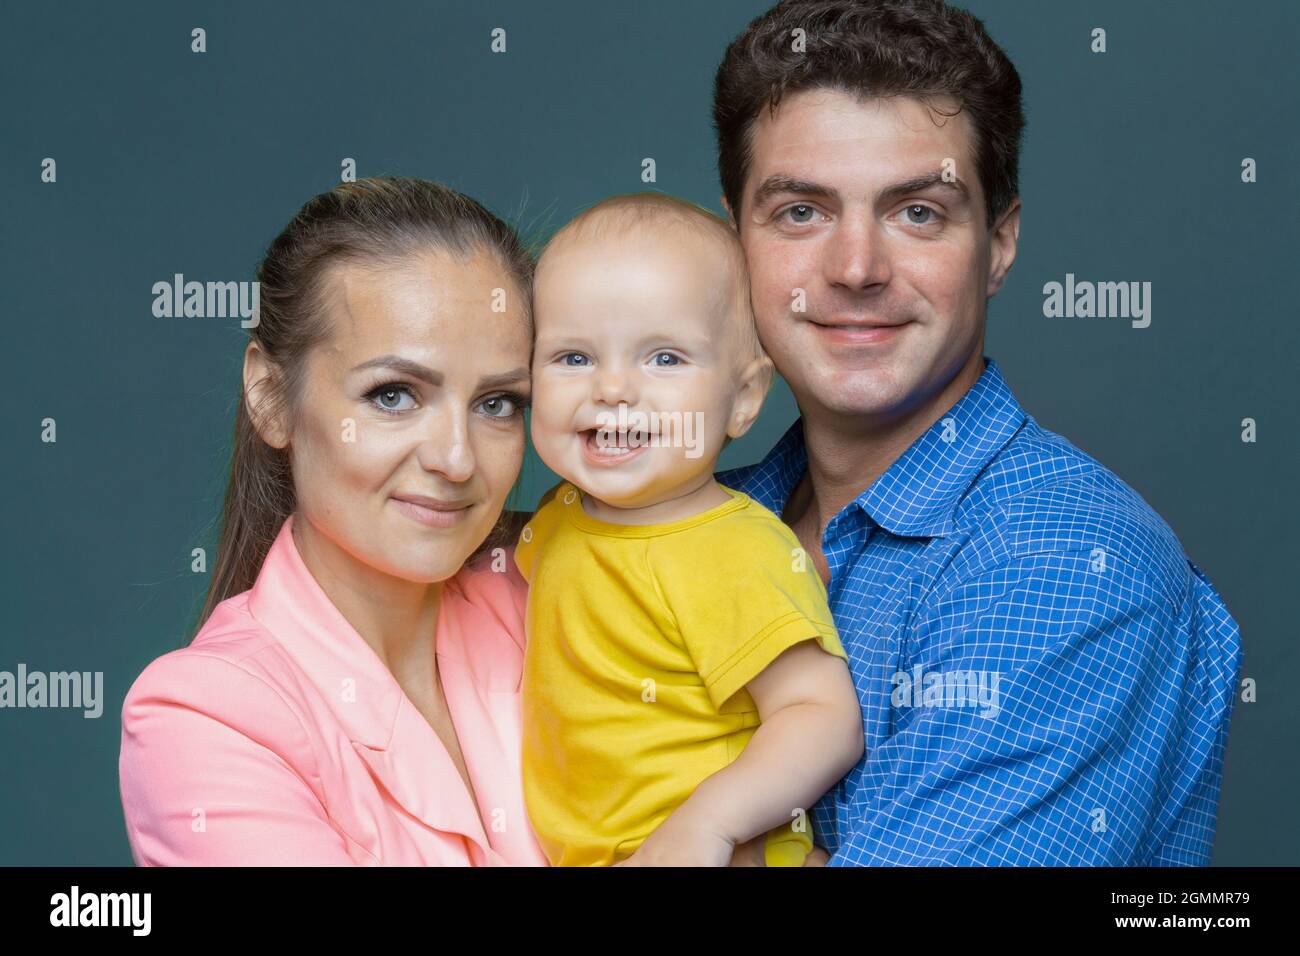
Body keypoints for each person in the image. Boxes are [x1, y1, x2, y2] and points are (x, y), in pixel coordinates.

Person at [711, 0, 1243, 864]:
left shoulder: (1068, 566)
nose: (855, 269)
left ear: (998, 245)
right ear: (733, 241)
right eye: (801, 212)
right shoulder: (703, 519)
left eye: (917, 212)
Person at [118, 177, 548, 865]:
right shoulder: (203, 719)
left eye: (497, 403)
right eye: (394, 394)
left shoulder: (559, 608)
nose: (457, 458)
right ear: (270, 398)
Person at [513, 193, 864, 866]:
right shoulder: (559, 518)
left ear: (744, 398)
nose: (613, 389)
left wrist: (709, 826)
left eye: (665, 359)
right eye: (574, 358)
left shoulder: (733, 548)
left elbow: (823, 718)